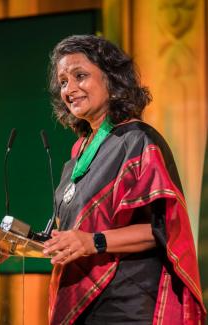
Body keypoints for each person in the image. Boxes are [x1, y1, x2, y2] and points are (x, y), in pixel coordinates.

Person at [43, 34, 206, 325]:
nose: (70, 89)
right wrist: (16, 244)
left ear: (112, 79)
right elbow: (73, 236)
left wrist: (94, 242)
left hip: (127, 306)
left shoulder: (138, 140)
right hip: (81, 305)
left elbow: (162, 230)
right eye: (64, 81)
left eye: (80, 75)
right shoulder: (77, 156)